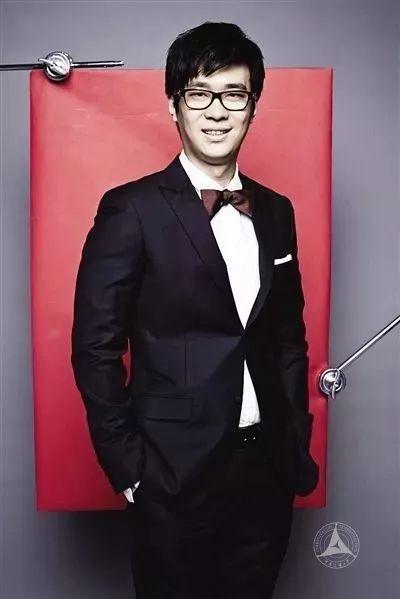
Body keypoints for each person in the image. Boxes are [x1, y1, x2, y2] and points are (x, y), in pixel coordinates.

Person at [71, 20, 319, 599]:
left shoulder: (277, 211)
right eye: (199, 94)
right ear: (174, 106)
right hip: (170, 475)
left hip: (266, 472)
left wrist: (294, 435)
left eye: (233, 95)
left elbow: (288, 337)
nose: (216, 112)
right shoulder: (131, 209)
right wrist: (130, 469)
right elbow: (95, 348)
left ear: (252, 107)